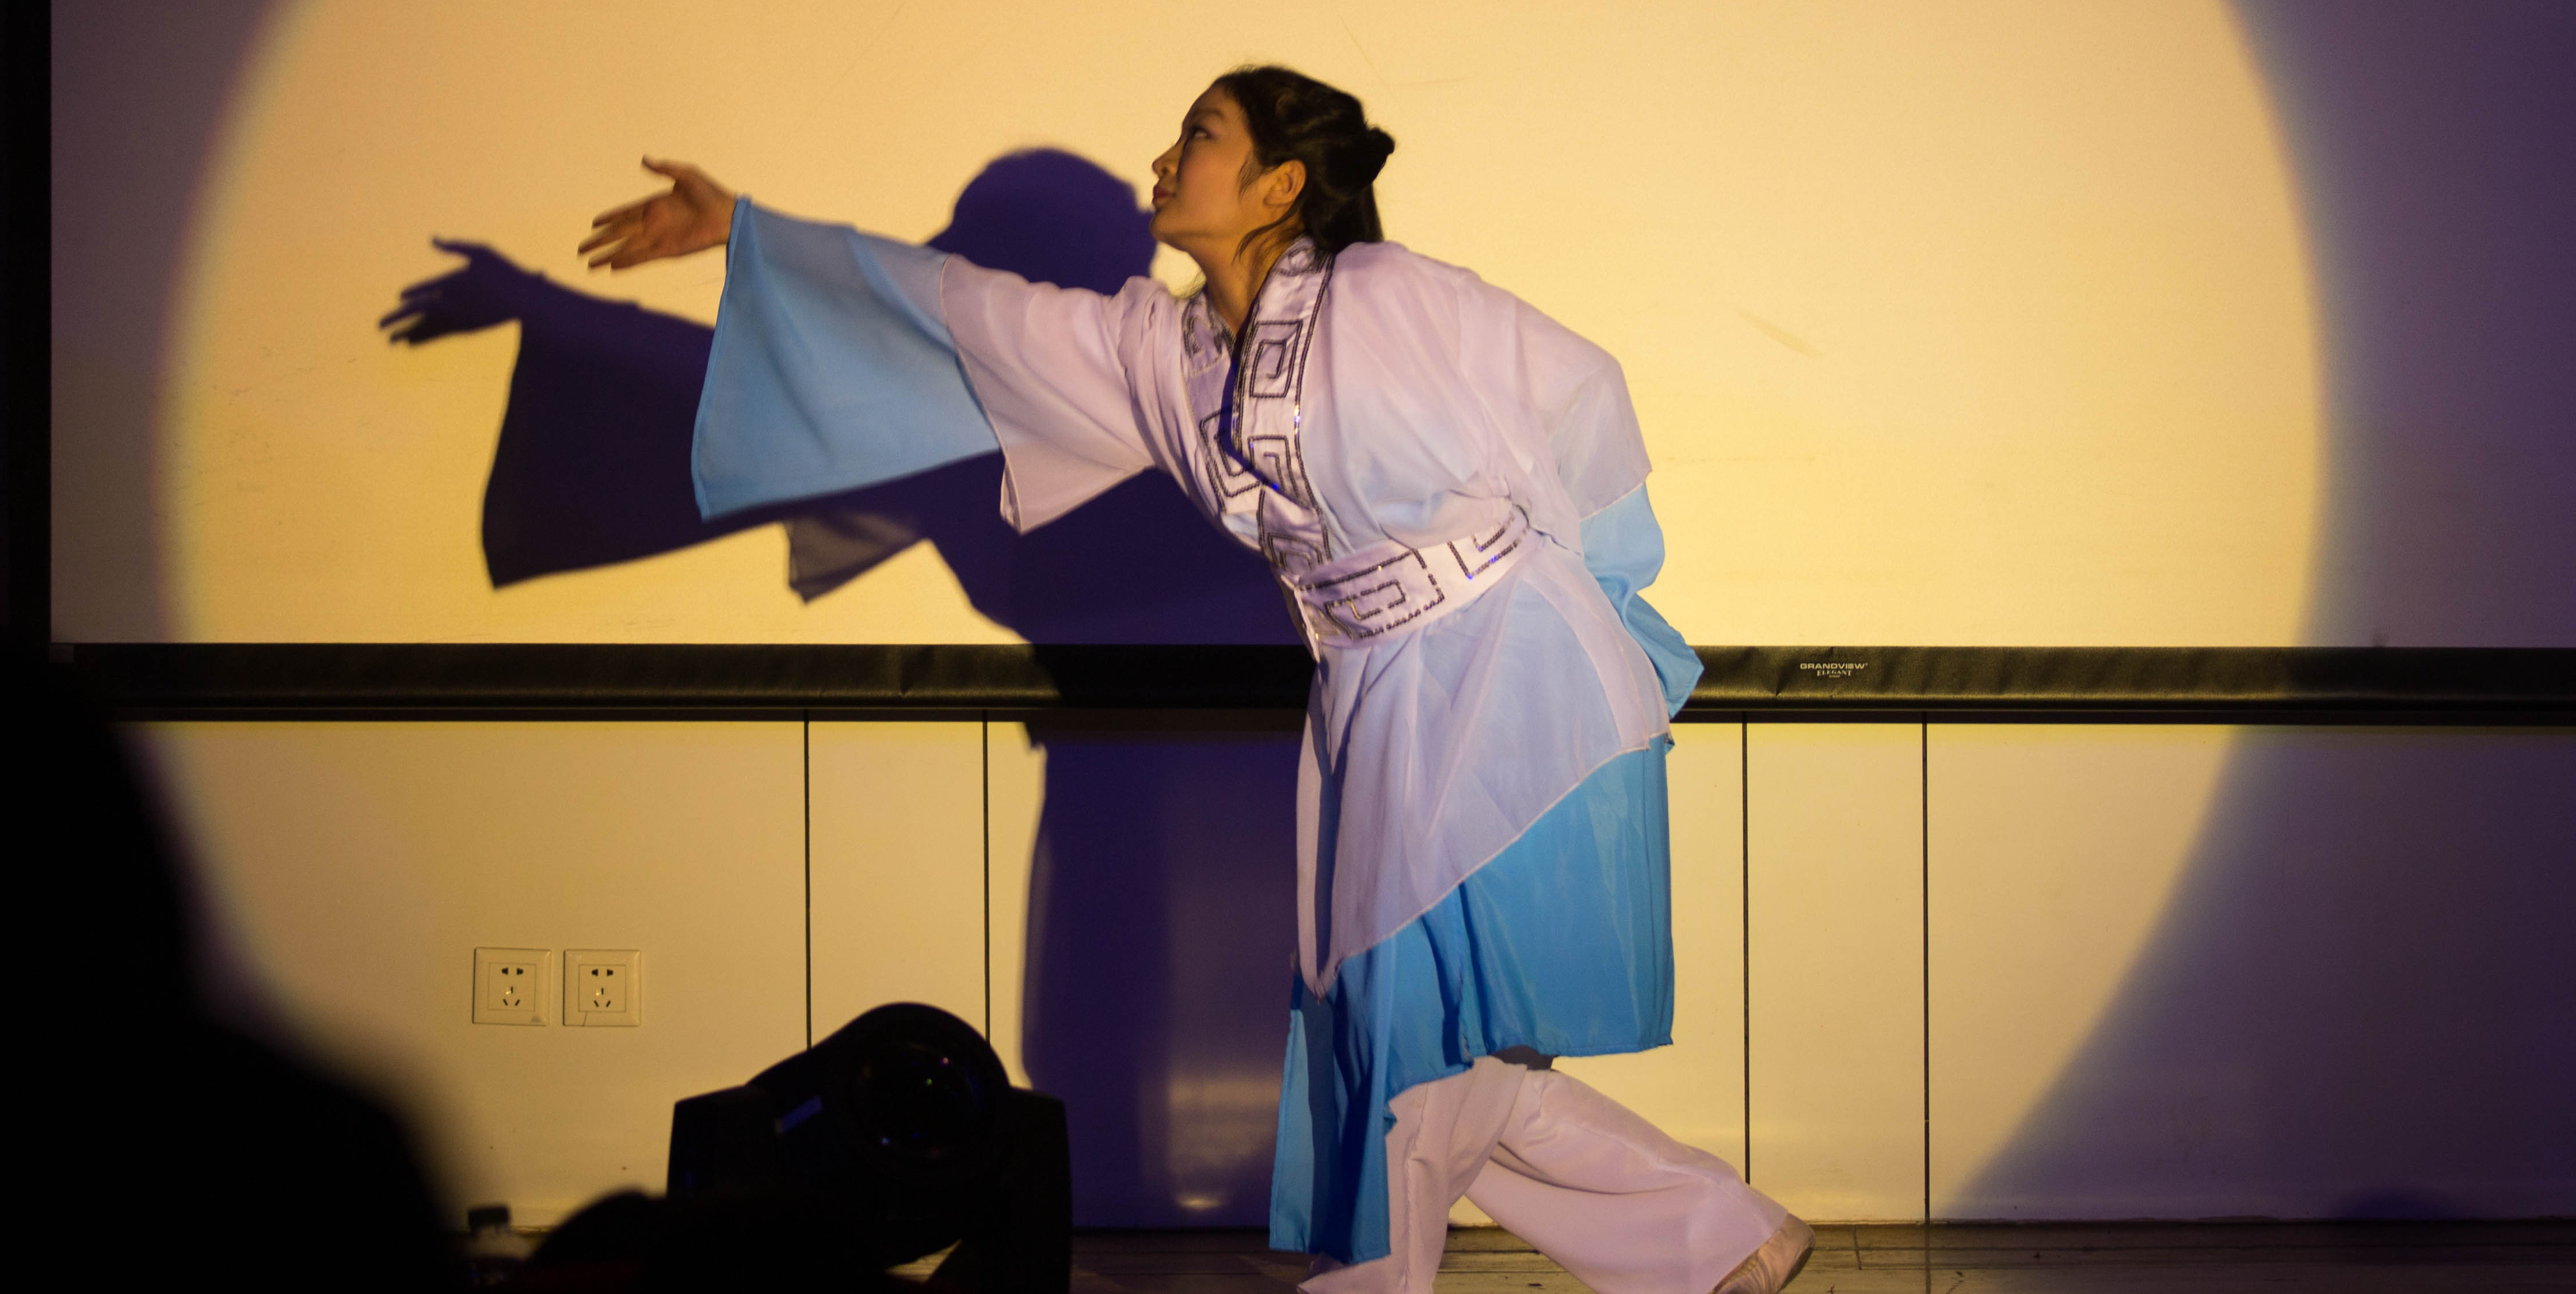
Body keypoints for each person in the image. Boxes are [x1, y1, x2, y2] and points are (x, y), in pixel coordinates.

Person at [581, 67, 1812, 1294]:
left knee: (1398, 1027)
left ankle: (1377, 1282)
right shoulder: (1166, 357)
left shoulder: (1384, 294)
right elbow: (965, 309)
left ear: (1281, 184)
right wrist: (743, 229)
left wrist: (1593, 592)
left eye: (1201, 135)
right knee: (1430, 1045)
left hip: (1499, 673)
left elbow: (1582, 387)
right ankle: (1721, 1234)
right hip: (1368, 691)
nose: (1166, 159)